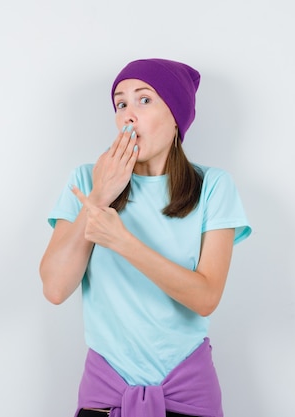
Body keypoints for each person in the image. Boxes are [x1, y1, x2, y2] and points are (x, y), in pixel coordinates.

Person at [39, 58, 251, 417]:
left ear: (176, 117)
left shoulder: (213, 186)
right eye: (121, 103)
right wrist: (100, 196)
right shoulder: (87, 180)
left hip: (187, 392)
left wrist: (122, 241)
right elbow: (55, 289)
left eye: (144, 100)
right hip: (104, 394)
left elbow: (205, 297)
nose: (128, 115)